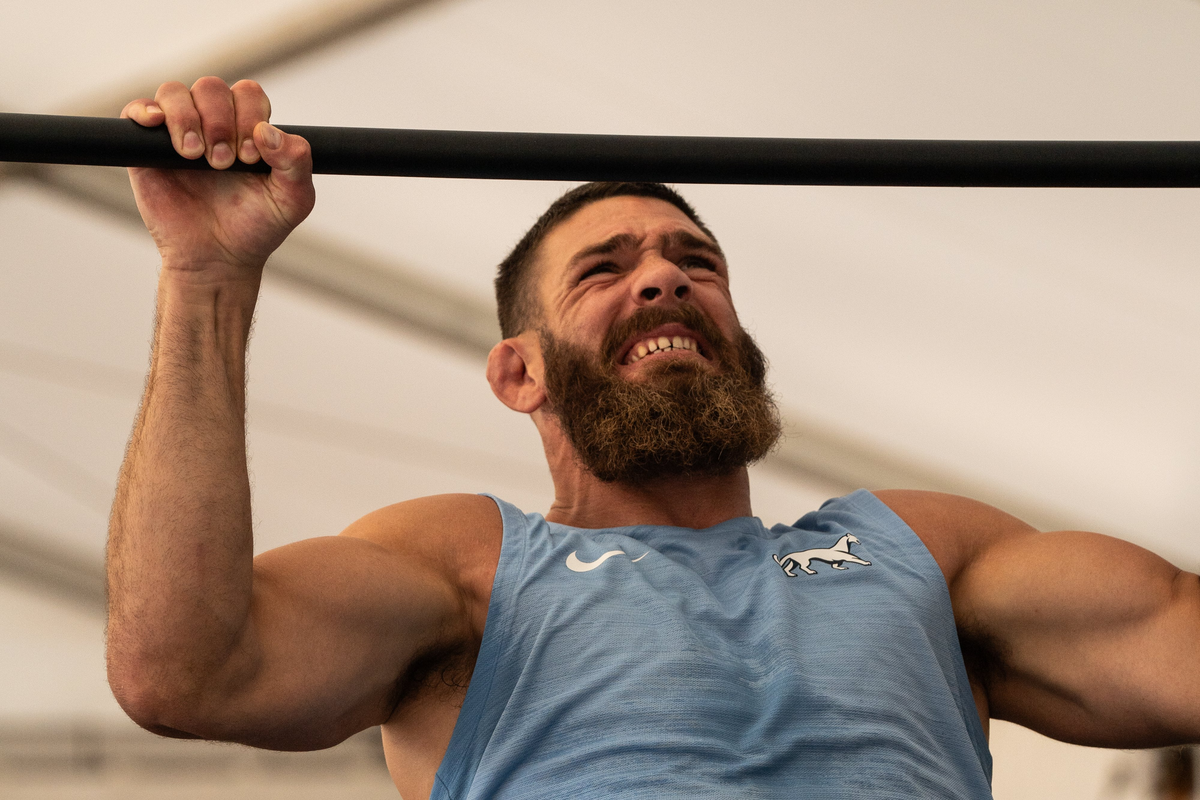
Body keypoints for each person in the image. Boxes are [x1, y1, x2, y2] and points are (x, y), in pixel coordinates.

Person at [105, 78, 1199, 800]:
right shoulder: (468, 565)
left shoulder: (924, 547)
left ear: (739, 339)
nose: (667, 276)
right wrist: (206, 274)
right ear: (517, 370)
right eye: (604, 270)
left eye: (696, 263)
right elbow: (183, 669)